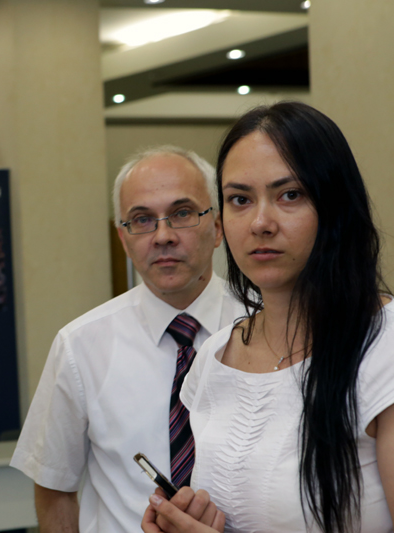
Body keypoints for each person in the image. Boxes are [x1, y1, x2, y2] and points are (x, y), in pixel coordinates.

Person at [142, 101, 394, 532]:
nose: (260, 222)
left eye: (289, 195)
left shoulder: (384, 348)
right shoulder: (214, 359)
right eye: (240, 199)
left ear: (335, 205)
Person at [10, 146, 244, 532]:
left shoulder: (268, 328)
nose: (163, 236)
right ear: (123, 238)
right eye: (142, 219)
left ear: (217, 227)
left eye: (182, 213)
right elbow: (54, 486)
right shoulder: (80, 346)